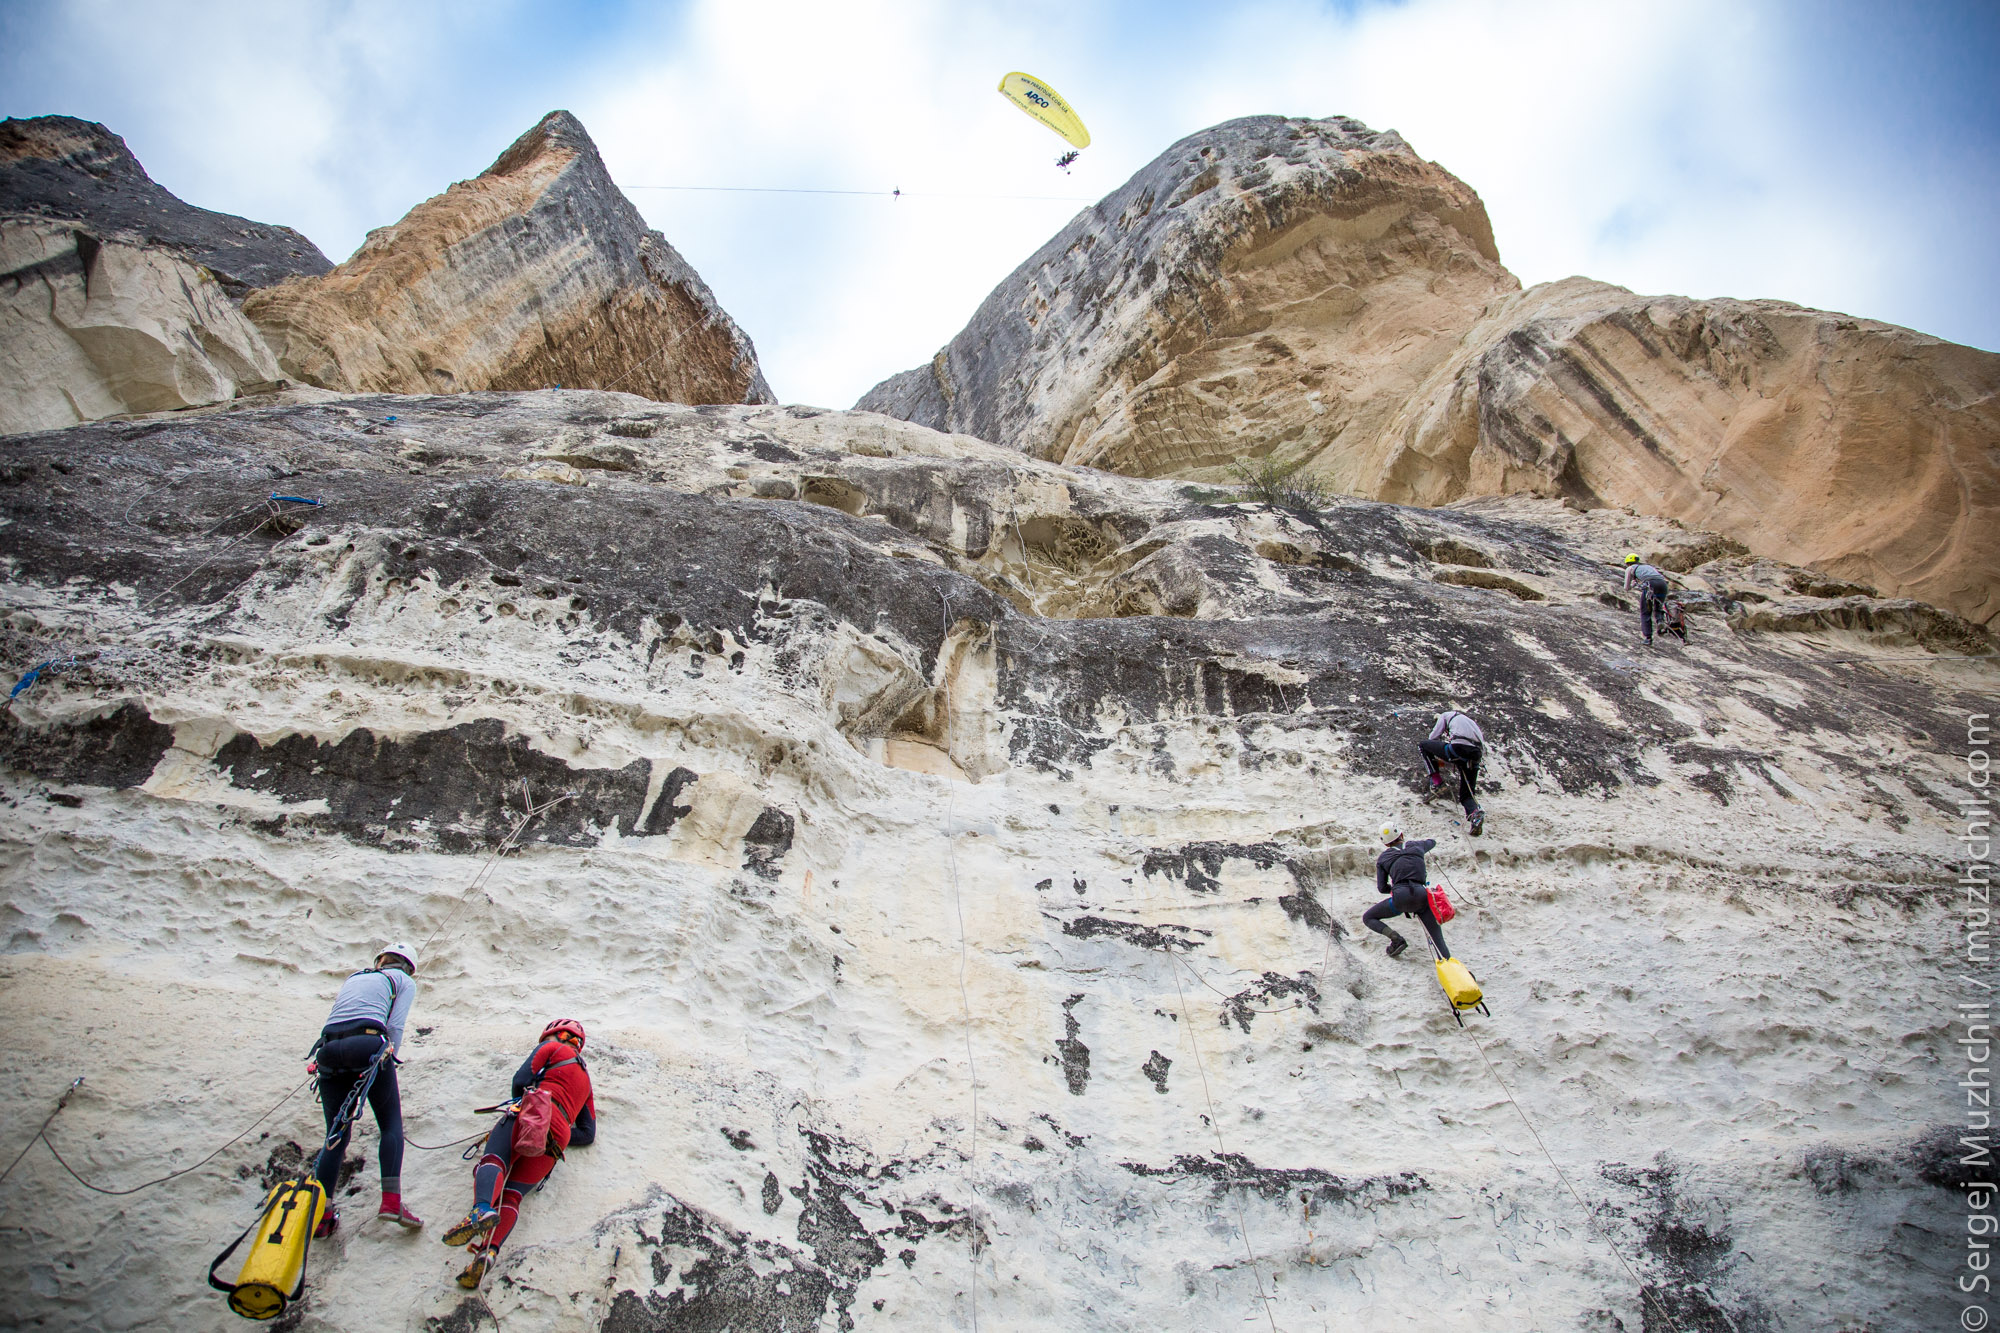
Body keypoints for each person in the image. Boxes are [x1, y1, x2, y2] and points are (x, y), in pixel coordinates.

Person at [442, 1020, 597, 1289]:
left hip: (532, 1111)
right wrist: (558, 1131)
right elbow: (588, 1132)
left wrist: (525, 1111)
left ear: (553, 1035)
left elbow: (521, 1080)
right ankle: (488, 1253)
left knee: (493, 1161)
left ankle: (480, 1210)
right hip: (557, 1139)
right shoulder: (586, 1080)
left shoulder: (551, 1048)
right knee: (513, 1195)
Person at [307, 943, 423, 1238]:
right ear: (409, 967)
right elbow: (394, 1025)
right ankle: (391, 1201)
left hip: (328, 1050)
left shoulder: (356, 977)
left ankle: (322, 1214)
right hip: (369, 1044)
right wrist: (391, 1058)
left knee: (336, 1134)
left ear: (381, 960)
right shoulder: (403, 981)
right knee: (391, 1125)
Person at [1363, 824, 1450, 959]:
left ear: (1385, 844)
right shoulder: (1416, 846)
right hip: (1422, 896)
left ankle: (1395, 938)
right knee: (1438, 941)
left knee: (1368, 917)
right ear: (1401, 835)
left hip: (1400, 898)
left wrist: (1394, 890)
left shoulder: (1383, 858)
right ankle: (1449, 965)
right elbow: (1432, 842)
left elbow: (1381, 888)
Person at [1420, 708, 1485, 836]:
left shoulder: (1445, 716)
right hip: (1475, 755)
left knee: (1423, 745)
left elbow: (1432, 739)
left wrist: (1439, 758)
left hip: (1458, 748)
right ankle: (1475, 815)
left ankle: (1437, 782)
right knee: (1467, 795)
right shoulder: (1470, 722)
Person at [1622, 553, 1673, 646]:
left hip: (1651, 585)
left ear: (1628, 563)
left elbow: (1626, 588)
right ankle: (1660, 622)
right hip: (1662, 585)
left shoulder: (1630, 569)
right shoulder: (1647, 567)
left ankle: (1648, 638)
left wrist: (1633, 583)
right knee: (1658, 606)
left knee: (1645, 611)